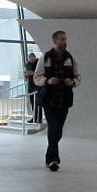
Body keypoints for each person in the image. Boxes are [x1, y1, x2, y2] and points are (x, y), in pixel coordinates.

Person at [33, 30, 78, 172]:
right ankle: (53, 159)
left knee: (58, 130)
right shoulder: (45, 58)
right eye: (61, 39)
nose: (64, 42)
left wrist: (72, 82)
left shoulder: (70, 58)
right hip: (49, 99)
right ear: (55, 41)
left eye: (65, 39)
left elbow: (78, 76)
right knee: (53, 127)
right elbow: (36, 77)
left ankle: (50, 156)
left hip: (64, 98)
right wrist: (47, 80)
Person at [24, 51, 41, 123]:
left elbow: (40, 73)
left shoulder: (38, 63)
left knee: (37, 102)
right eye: (29, 58)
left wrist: (33, 73)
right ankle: (34, 117)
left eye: (31, 58)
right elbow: (26, 74)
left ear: (34, 57)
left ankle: (38, 118)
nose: (30, 59)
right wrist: (27, 74)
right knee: (32, 102)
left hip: (37, 85)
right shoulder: (27, 64)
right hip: (30, 84)